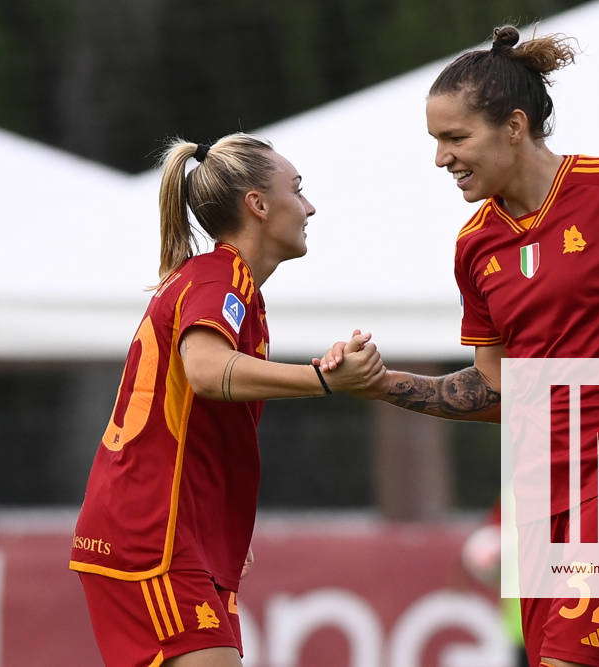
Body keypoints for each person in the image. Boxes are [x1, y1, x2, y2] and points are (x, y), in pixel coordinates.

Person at [320, 25, 599, 667]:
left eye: (454, 138)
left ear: (514, 126)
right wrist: (380, 382)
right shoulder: (475, 246)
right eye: (435, 142)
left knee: (573, 657)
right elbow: (494, 389)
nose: (441, 159)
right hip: (536, 484)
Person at [68, 133, 385, 667]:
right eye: (298, 189)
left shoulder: (231, 288)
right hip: (156, 535)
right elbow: (208, 373)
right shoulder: (220, 279)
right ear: (257, 205)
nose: (309, 207)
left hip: (177, 532)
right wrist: (326, 380)